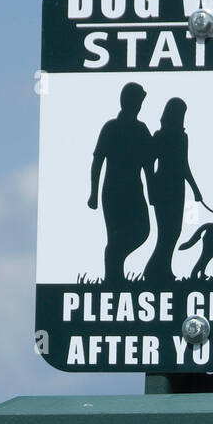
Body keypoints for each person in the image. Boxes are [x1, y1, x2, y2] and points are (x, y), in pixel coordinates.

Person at [87, 82, 154, 283]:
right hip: (114, 193)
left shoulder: (142, 130)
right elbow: (97, 162)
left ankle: (114, 273)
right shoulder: (111, 128)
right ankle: (113, 278)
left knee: (142, 230)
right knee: (115, 237)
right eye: (138, 101)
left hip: (134, 191)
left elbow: (149, 165)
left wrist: (153, 195)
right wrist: (93, 194)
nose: (139, 106)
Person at [144, 97, 202, 283]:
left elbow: (184, 165)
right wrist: (151, 190)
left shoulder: (182, 137)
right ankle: (153, 270)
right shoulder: (159, 136)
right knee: (166, 232)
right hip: (162, 187)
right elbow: (148, 163)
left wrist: (195, 189)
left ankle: (164, 269)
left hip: (178, 188)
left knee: (174, 231)